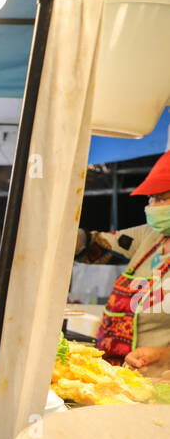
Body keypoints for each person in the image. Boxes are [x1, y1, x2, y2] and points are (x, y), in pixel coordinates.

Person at [78, 151, 170, 370]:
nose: (152, 206)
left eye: (162, 198)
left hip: (159, 384)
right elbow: (94, 246)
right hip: (119, 373)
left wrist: (163, 355)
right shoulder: (151, 236)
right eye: (151, 198)